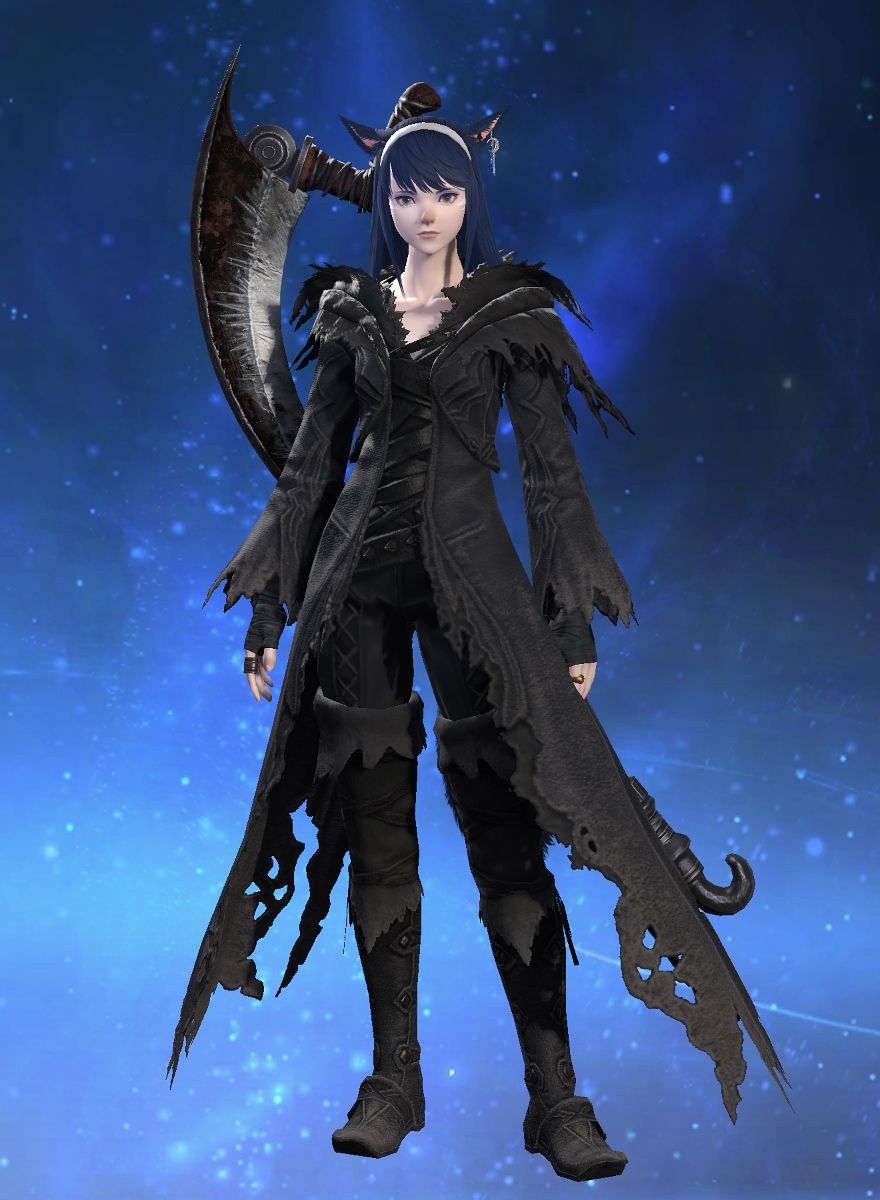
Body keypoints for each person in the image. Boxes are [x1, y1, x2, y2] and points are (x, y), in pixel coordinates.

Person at [167, 107, 788, 1185]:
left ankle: (556, 1099)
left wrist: (571, 617)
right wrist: (270, 612)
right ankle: (392, 1083)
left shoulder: (511, 317)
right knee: (377, 833)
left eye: (443, 191)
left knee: (506, 828)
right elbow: (309, 474)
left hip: (476, 584)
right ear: (385, 199)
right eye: (405, 191)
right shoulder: (351, 312)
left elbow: (551, 477)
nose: (423, 210)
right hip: (356, 587)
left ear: (469, 198)